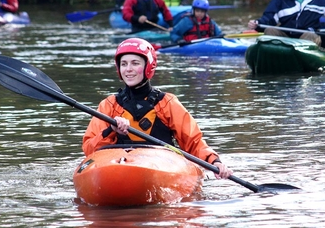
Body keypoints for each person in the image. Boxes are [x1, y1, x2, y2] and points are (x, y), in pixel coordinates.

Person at [82, 38, 233, 179]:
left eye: (135, 63)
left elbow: (193, 142)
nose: (128, 69)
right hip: (117, 167)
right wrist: (111, 130)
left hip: (160, 165)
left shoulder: (167, 103)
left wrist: (214, 162)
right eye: (124, 64)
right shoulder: (109, 105)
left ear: (148, 66)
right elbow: (89, 149)